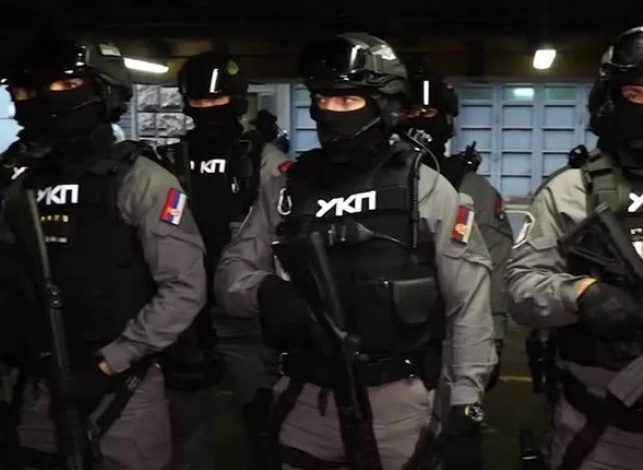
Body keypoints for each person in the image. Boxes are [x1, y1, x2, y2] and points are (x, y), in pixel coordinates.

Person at [215, 32, 496, 469]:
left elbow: (469, 303)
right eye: (323, 99)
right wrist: (265, 291)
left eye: (347, 100)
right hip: (306, 397)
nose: (331, 111)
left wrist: (466, 400)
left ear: (384, 105)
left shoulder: (425, 188)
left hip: (396, 401)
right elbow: (231, 273)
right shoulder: (286, 188)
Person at [506, 24, 643, 470]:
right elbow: (520, 287)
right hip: (597, 432)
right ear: (610, 98)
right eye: (634, 92)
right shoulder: (571, 190)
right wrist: (580, 294)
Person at [0, 35, 206, 469]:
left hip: (121, 388)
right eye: (39, 89)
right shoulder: (21, 186)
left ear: (105, 92)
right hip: (36, 387)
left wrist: (109, 364)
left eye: (66, 86)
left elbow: (184, 287)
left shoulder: (142, 181)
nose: (50, 99)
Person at [158, 51, 287, 469]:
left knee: (263, 417)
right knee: (186, 424)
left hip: (245, 314)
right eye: (199, 101)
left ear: (237, 99)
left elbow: (285, 233)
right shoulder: (169, 160)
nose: (208, 109)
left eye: (217, 100)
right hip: (184, 313)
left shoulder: (263, 159)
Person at [407, 72, 514, 389]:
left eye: (428, 112)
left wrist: (492, 342)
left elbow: (494, 267)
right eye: (409, 111)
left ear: (447, 120)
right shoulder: (361, 184)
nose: (418, 121)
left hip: (445, 346)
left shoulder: (468, 187)